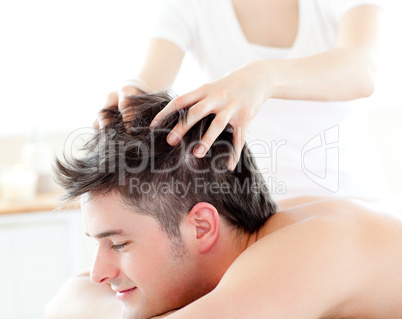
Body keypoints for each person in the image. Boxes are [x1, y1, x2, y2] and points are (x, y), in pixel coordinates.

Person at [47, 92, 402, 319]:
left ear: (202, 227)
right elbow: (65, 299)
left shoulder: (311, 248)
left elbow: (71, 306)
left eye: (119, 244)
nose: (97, 274)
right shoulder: (261, 240)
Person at [98, 0, 387, 200]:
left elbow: (360, 69)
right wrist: (131, 94)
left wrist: (264, 76)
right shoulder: (188, 6)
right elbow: (148, 82)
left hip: (349, 201)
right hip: (252, 214)